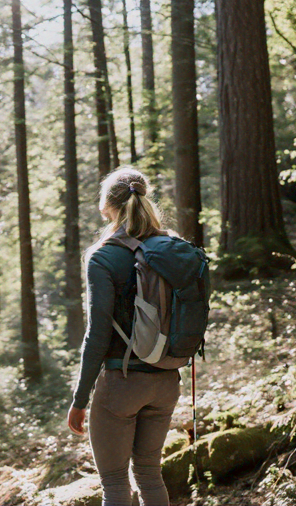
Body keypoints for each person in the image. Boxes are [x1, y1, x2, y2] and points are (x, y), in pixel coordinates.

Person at [67, 167, 181, 506]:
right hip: (166, 381)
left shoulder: (104, 255)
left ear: (106, 205)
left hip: (121, 383)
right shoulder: (171, 246)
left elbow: (97, 334)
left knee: (115, 484)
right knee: (149, 475)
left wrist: (80, 398)